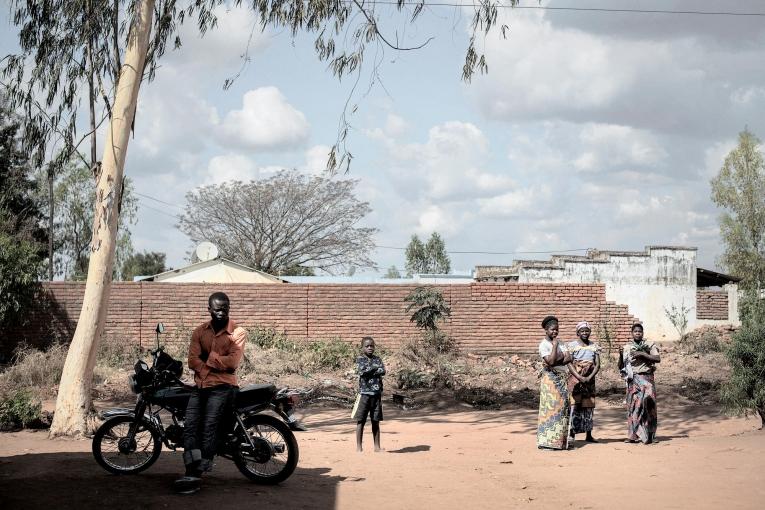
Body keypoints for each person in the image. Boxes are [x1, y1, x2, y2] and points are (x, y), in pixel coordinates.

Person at [174, 292, 246, 494]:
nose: (222, 312)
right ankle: (190, 470)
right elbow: (191, 361)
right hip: (201, 386)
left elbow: (233, 363)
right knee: (189, 428)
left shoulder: (238, 333)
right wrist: (216, 362)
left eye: (226, 308)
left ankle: (197, 475)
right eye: (218, 309)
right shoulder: (199, 332)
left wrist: (208, 358)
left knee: (209, 428)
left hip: (224, 386)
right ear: (209, 310)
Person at [618, 323, 660, 444]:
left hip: (647, 379)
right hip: (633, 379)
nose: (637, 333)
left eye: (639, 331)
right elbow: (621, 366)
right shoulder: (627, 347)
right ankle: (633, 435)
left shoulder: (649, 344)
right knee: (633, 407)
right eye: (635, 331)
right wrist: (621, 355)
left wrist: (642, 354)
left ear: (643, 333)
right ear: (632, 333)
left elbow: (657, 358)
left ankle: (650, 435)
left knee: (649, 405)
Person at [537, 315, 573, 450]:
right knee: (550, 409)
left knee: (562, 409)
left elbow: (569, 358)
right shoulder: (544, 345)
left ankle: (559, 442)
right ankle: (546, 442)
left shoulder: (562, 342)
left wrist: (556, 358)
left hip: (561, 379)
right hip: (550, 380)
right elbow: (550, 362)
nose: (555, 332)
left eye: (557, 330)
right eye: (552, 330)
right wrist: (555, 347)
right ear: (546, 330)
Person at [566, 321, 600, 443]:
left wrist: (590, 376)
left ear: (590, 332)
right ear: (578, 333)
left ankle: (589, 435)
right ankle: (571, 434)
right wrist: (579, 377)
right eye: (582, 331)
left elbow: (597, 364)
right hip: (576, 378)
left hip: (589, 380)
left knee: (589, 405)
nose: (585, 333)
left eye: (587, 331)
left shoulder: (594, 346)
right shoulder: (572, 345)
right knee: (574, 405)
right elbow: (569, 363)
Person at [353, 336, 385, 452]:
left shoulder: (378, 359)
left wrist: (370, 370)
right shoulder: (360, 359)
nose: (370, 348)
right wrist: (373, 370)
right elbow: (363, 371)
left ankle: (377, 447)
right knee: (361, 420)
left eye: (372, 346)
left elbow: (383, 371)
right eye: (367, 346)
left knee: (375, 421)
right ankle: (359, 447)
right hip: (364, 394)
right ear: (362, 348)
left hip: (376, 394)